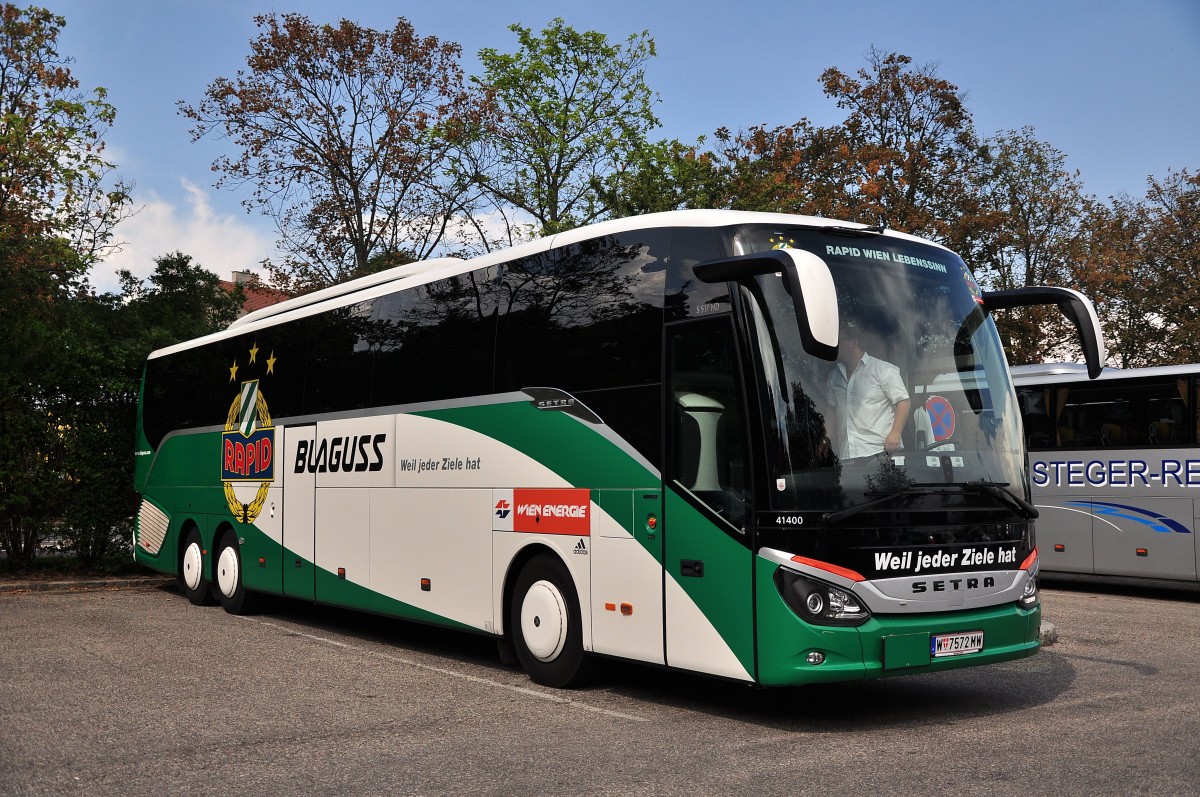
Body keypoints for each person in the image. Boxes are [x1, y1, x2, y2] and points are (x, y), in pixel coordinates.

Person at [826, 325, 911, 459]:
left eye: (839, 341)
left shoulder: (883, 370)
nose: (835, 346)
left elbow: (903, 401)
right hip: (847, 456)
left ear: (853, 342)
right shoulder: (834, 377)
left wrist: (896, 432)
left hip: (881, 454)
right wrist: (826, 440)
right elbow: (832, 410)